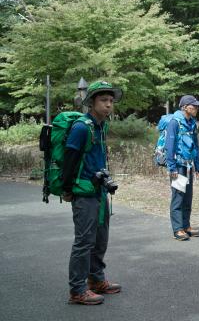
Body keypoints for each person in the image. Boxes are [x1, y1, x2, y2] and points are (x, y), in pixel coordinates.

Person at [62, 81, 122, 305]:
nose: (108, 105)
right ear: (92, 102)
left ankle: (96, 280)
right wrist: (68, 189)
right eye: (103, 101)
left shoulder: (101, 125)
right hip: (84, 191)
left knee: (100, 239)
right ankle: (77, 290)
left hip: (99, 190)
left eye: (110, 101)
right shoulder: (81, 127)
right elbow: (70, 159)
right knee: (84, 241)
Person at [166, 95, 199, 241]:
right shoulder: (175, 123)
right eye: (193, 106)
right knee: (178, 197)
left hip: (189, 165)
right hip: (178, 166)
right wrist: (172, 167)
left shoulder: (192, 123)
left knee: (188, 197)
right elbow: (169, 146)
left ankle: (186, 226)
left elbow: (196, 145)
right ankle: (178, 229)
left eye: (197, 106)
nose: (196, 108)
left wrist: (198, 165)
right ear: (185, 107)